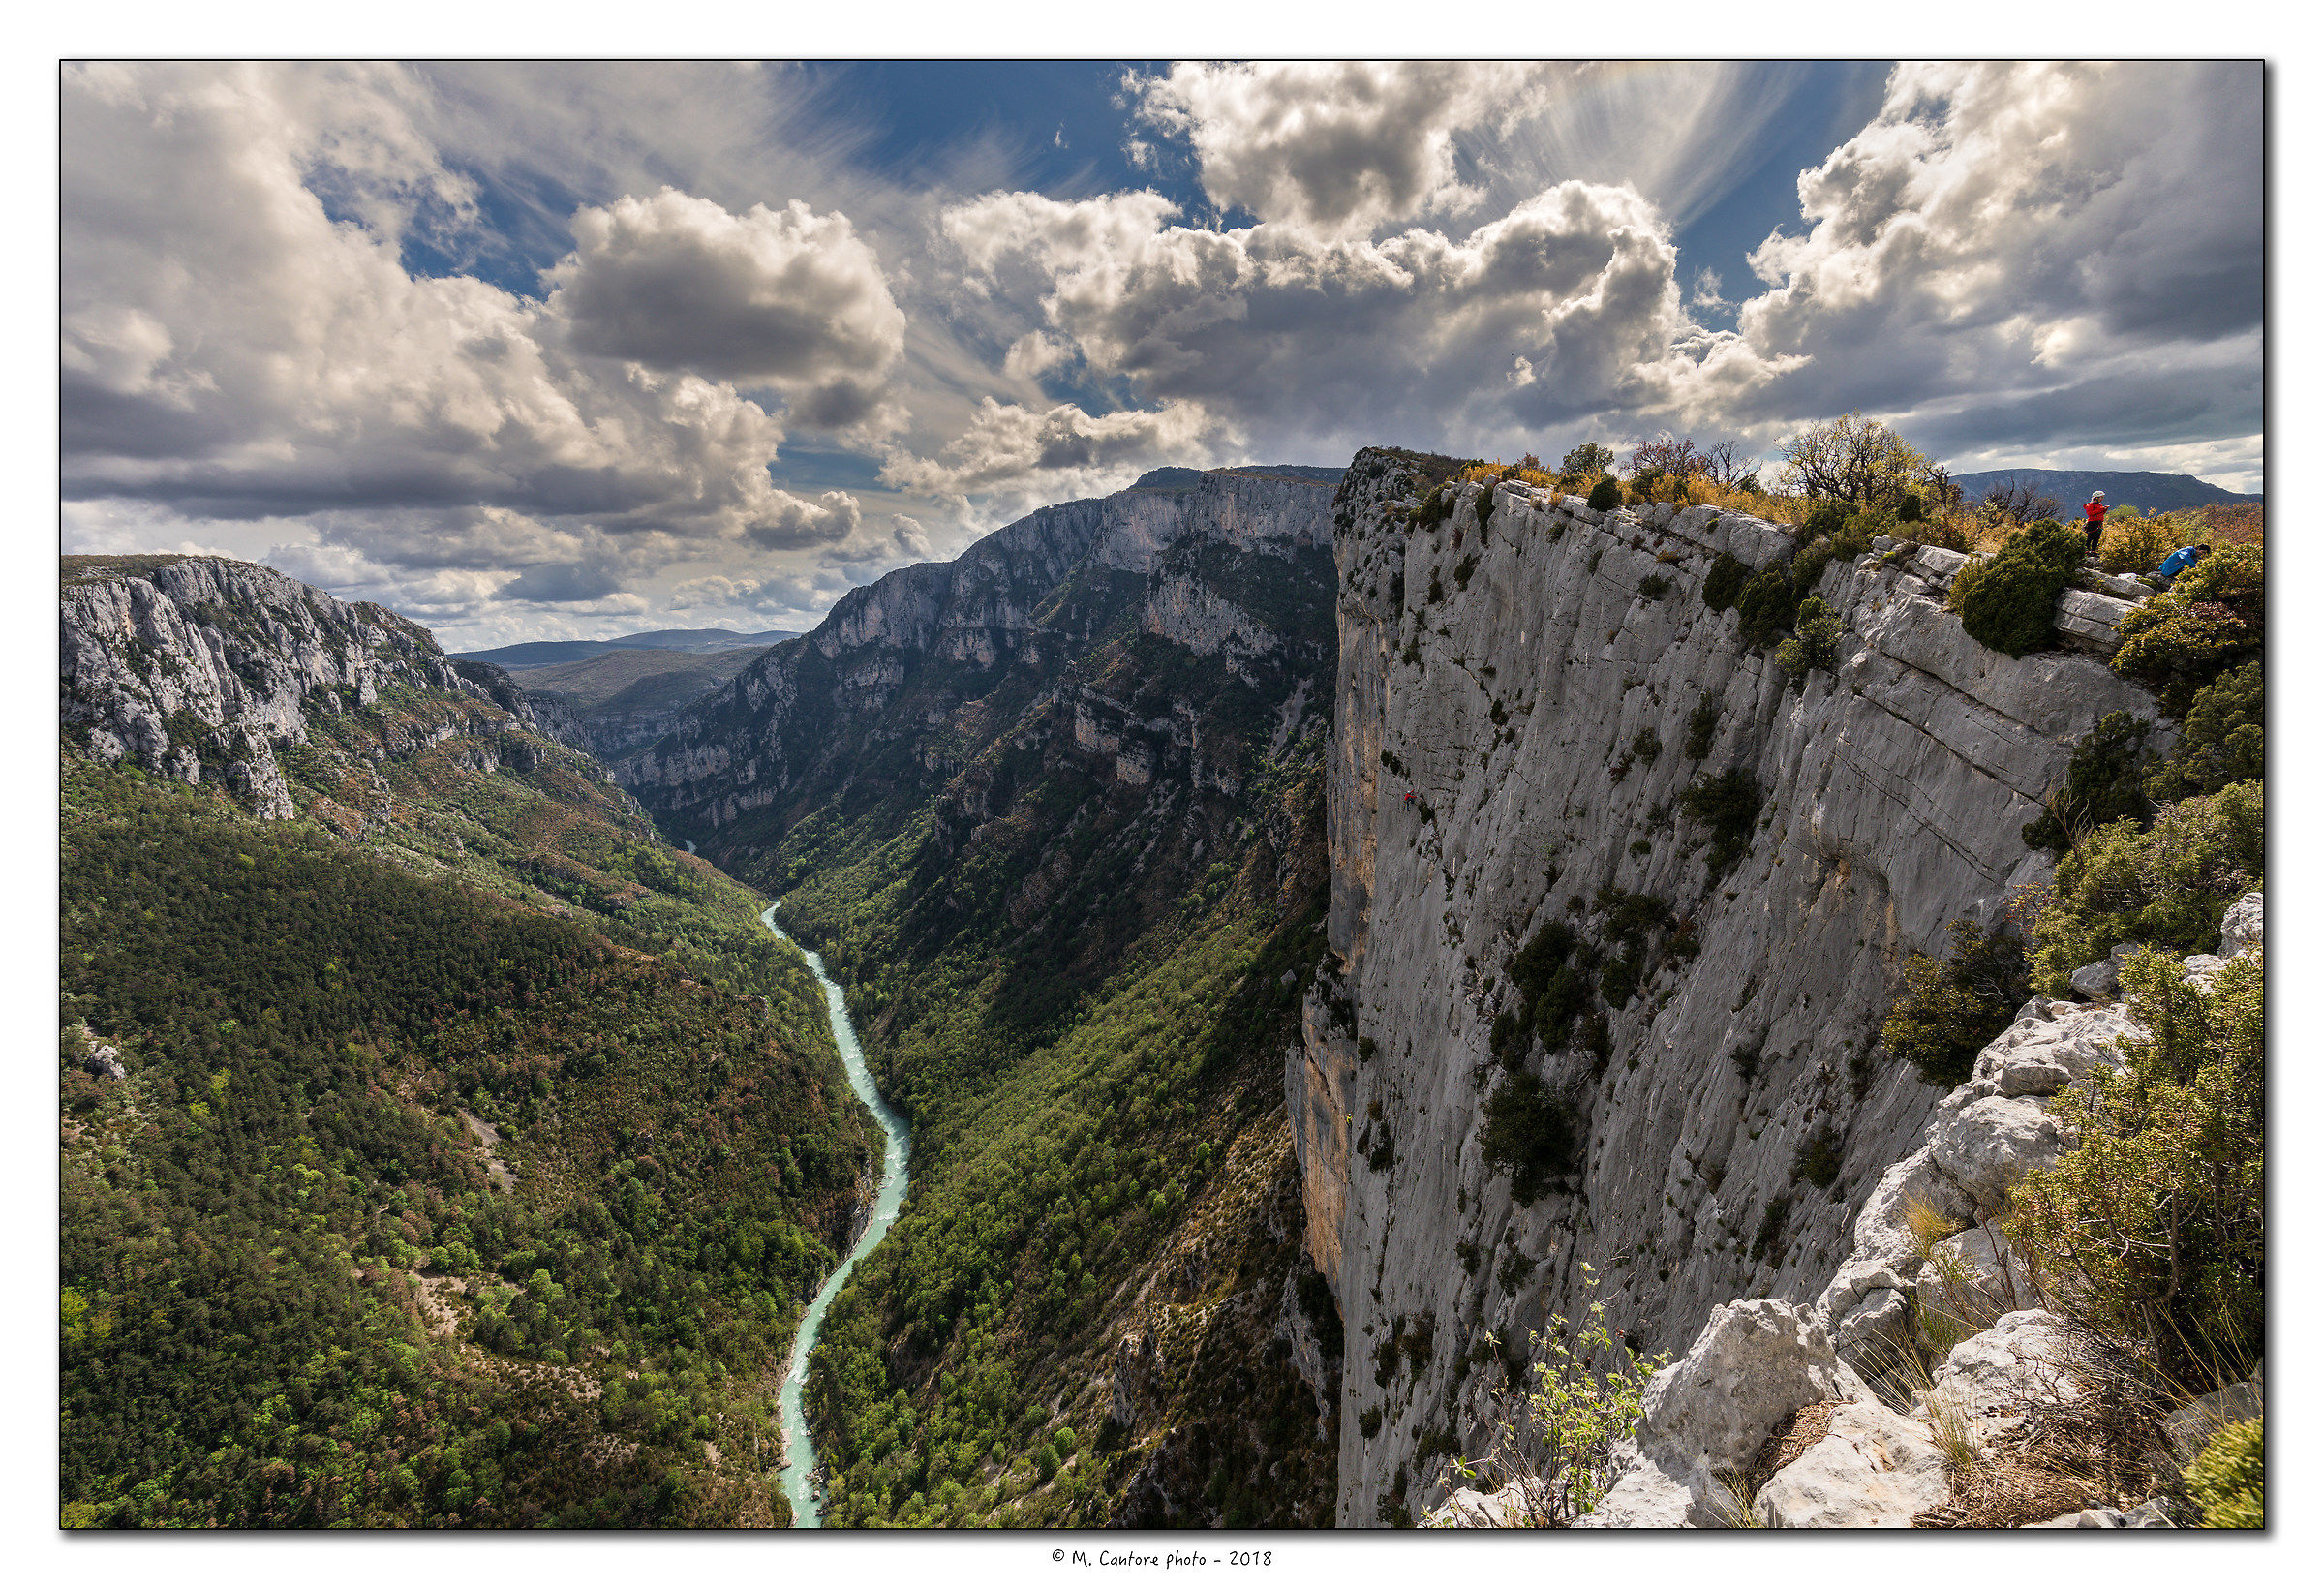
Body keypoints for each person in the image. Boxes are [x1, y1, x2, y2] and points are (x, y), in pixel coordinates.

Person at [2082, 490, 2107, 559]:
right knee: (2090, 537)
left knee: (2096, 537)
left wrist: (2104, 510)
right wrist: (2101, 509)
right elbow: (2090, 513)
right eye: (2101, 497)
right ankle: (2086, 551)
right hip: (2092, 522)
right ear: (2096, 497)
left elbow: (2100, 513)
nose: (2102, 499)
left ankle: (2093, 551)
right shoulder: (2090, 505)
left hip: (2098, 522)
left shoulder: (2099, 505)